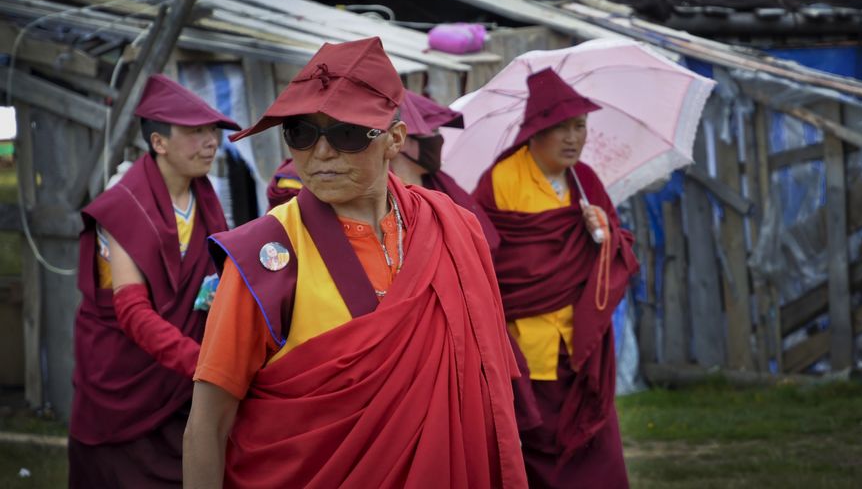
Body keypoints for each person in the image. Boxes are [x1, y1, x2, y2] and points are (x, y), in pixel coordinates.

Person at [183, 37, 527, 489]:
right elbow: (208, 424)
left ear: (394, 140)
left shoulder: (452, 230)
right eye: (300, 133)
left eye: (346, 134)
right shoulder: (266, 255)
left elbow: (487, 389)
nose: (321, 154)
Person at [69, 74, 240, 488]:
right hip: (128, 378)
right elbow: (130, 311)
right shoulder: (122, 206)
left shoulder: (205, 195)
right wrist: (202, 363)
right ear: (159, 142)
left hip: (184, 379)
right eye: (194, 132)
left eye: (212, 131)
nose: (210, 141)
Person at [473, 68, 639, 489]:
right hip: (529, 343)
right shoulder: (501, 180)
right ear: (535, 130)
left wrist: (602, 230)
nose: (572, 138)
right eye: (559, 127)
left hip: (581, 342)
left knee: (594, 447)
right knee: (536, 447)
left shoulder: (585, 181)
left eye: (580, 126)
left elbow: (618, 248)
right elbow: (489, 257)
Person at [390, 90, 500, 250]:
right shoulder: (385, 196)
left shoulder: (444, 185)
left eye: (438, 131)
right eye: (433, 131)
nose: (439, 139)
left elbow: (484, 239)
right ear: (401, 139)